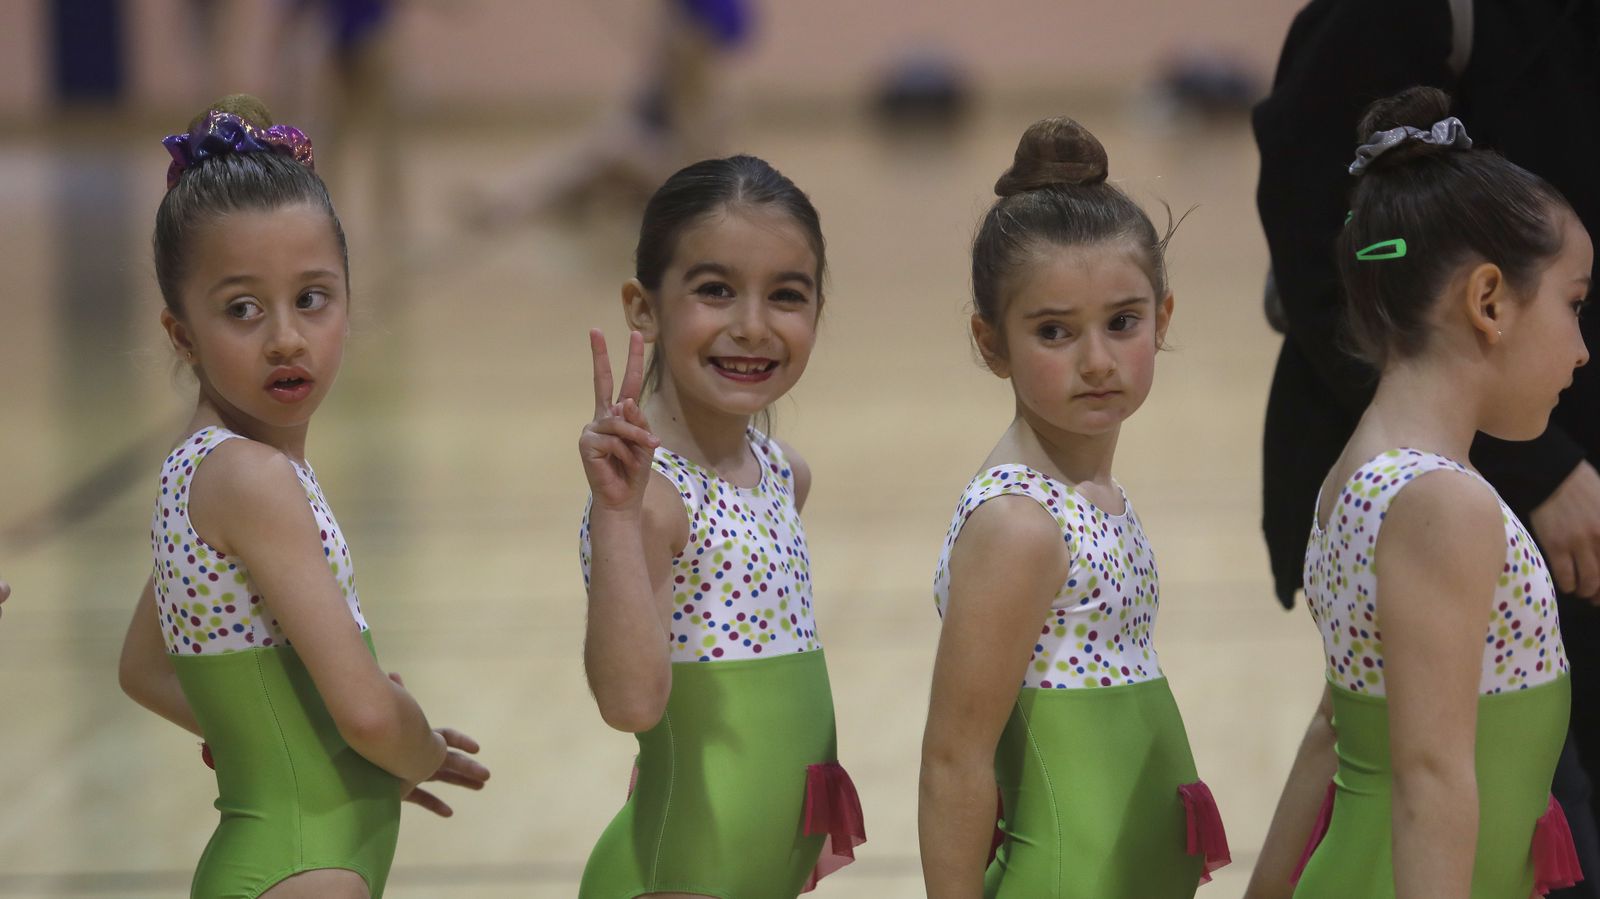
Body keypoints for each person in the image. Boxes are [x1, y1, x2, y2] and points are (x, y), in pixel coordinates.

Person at [117, 94, 488, 899]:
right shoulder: (253, 479)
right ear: (181, 334)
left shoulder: (203, 473)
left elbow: (143, 669)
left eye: (311, 298)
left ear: (349, 304)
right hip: (301, 868)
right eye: (242, 309)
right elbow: (366, 711)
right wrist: (414, 747)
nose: (286, 336)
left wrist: (285, 747)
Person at [1249, 87, 1588, 898]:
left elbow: (1335, 729)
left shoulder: (1360, 473)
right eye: (1575, 306)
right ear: (1488, 300)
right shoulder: (1444, 505)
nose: (1581, 350)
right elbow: (1433, 784)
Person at [918, 116, 1228, 898]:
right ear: (992, 344)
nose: (1096, 361)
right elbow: (954, 760)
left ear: (1161, 317)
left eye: (1122, 322)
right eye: (1054, 331)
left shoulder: (1088, 494)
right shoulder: (1021, 524)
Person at [576, 154, 864, 898]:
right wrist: (613, 516)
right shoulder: (646, 500)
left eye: (787, 296)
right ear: (643, 307)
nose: (752, 326)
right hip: (676, 875)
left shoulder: (781, 472)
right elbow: (631, 704)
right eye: (714, 290)